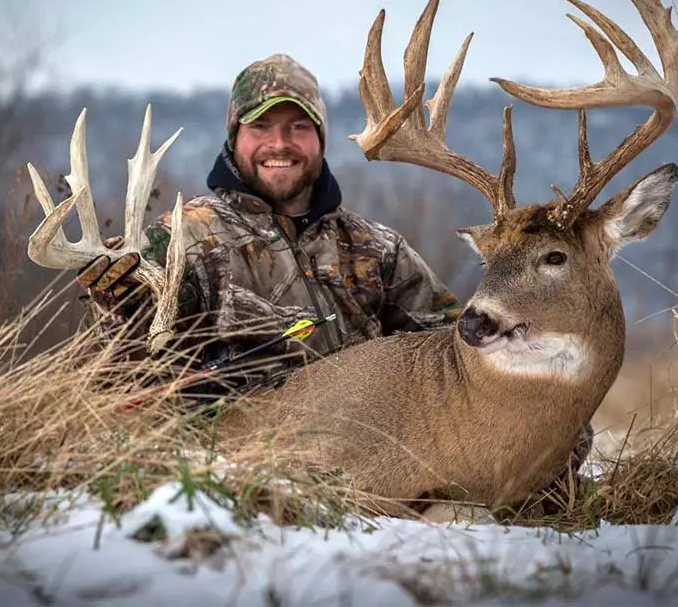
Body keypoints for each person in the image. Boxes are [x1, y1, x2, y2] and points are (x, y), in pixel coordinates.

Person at [77, 53, 463, 397]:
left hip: (375, 460)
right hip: (244, 463)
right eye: (260, 126)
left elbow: (457, 353)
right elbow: (123, 379)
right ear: (234, 138)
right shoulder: (184, 239)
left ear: (320, 139)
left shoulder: (378, 248)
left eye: (298, 126)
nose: (279, 143)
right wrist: (121, 308)